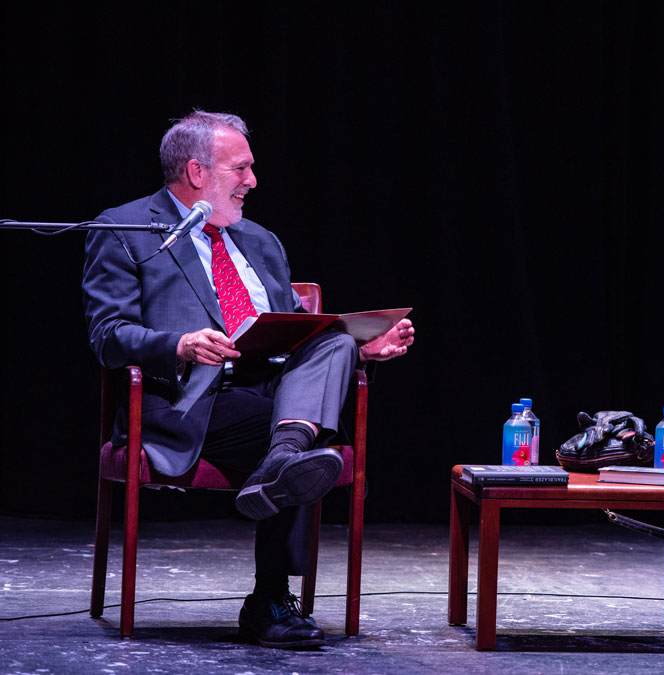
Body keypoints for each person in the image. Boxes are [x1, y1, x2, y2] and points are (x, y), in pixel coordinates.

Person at [81, 110, 415, 649]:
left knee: (331, 337)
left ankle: (286, 454)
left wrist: (362, 349)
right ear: (196, 171)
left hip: (274, 393)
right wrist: (179, 344)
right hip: (188, 401)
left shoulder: (260, 241)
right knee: (318, 440)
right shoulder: (127, 229)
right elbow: (108, 334)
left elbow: (297, 339)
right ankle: (270, 596)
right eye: (241, 168)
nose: (253, 181)